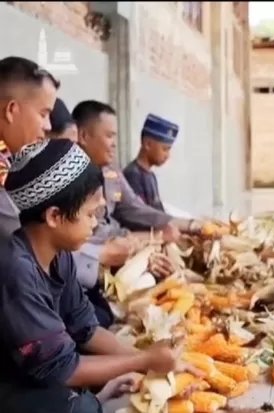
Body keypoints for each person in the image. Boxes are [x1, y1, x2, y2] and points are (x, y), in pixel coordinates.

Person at [0, 138, 183, 413]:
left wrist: (154, 362)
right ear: (54, 216)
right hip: (9, 385)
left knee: (98, 376)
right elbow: (62, 370)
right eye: (90, 214)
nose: (96, 223)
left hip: (37, 373)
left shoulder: (60, 256)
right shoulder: (17, 271)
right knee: (80, 406)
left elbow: (85, 329)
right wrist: (143, 360)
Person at [71, 100, 199, 328]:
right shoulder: (68, 178)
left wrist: (191, 225)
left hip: (120, 253)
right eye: (109, 136)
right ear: (83, 136)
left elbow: (134, 208)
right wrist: (146, 240)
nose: (114, 145)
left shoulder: (111, 172)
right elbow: (91, 235)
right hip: (95, 264)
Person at [0, 56, 59, 237]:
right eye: (43, 114)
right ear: (11, 110)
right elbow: (23, 238)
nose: (48, 126)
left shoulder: (9, 159)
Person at [123, 114, 178, 212]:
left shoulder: (150, 175)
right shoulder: (132, 175)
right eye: (165, 149)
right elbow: (141, 214)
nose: (168, 155)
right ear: (148, 144)